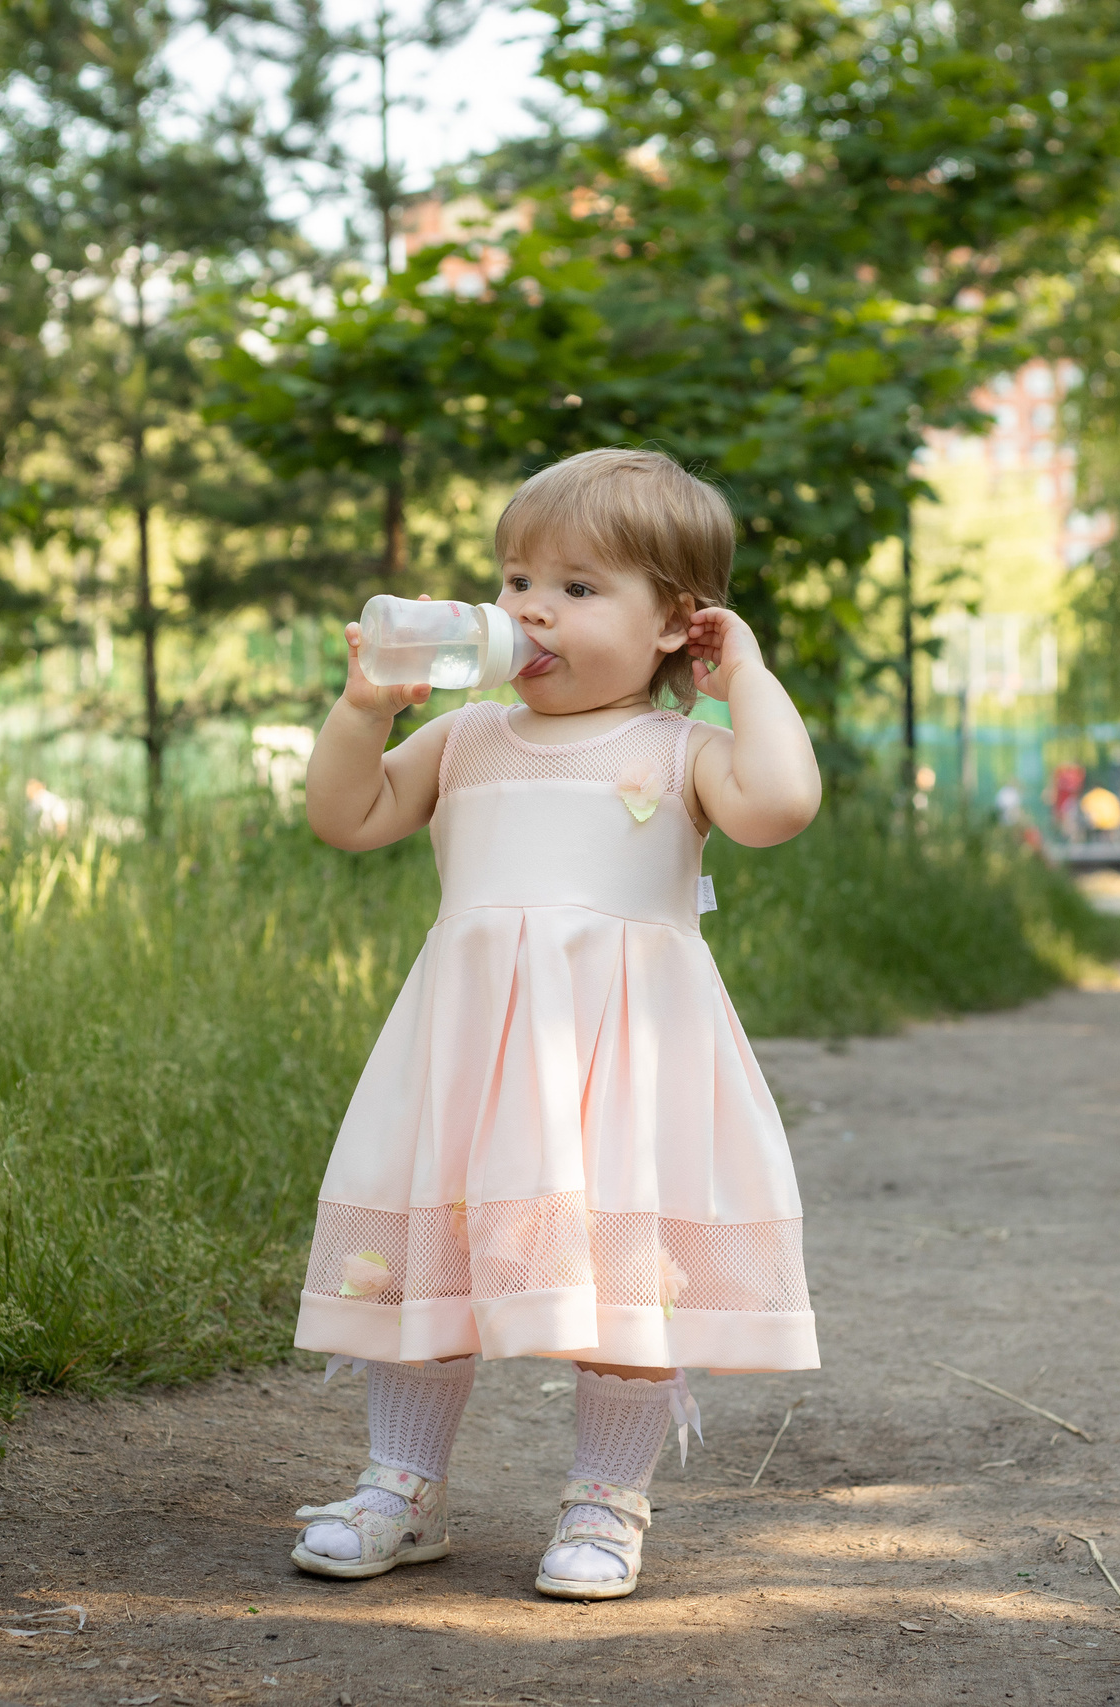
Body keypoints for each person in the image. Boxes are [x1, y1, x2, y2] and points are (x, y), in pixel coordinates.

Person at [290, 447, 824, 1602]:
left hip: (623, 1072)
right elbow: (348, 813)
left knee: (624, 1287)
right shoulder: (466, 738)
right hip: (472, 1064)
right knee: (430, 1270)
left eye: (579, 589)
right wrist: (359, 710)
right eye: (518, 578)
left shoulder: (682, 751)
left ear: (678, 625)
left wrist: (750, 684)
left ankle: (604, 1499)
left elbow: (780, 805)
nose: (531, 608)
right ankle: (402, 1486)